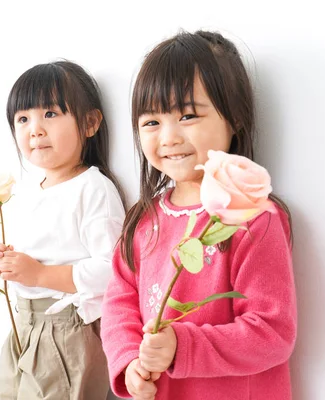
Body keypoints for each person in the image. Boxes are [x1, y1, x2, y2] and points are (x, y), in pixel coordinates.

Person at [101, 30, 296, 400]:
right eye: (152, 122)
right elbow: (118, 300)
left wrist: (182, 346)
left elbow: (272, 333)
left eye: (187, 115)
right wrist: (129, 362)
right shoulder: (143, 220)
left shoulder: (253, 218)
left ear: (234, 118)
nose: (169, 136)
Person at [0, 60, 126, 400]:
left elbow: (112, 271)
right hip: (26, 322)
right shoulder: (34, 187)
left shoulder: (93, 189)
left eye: (50, 114)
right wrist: (8, 261)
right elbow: (41, 252)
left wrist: (40, 274)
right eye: (23, 118)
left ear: (89, 123)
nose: (34, 129)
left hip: (67, 329)